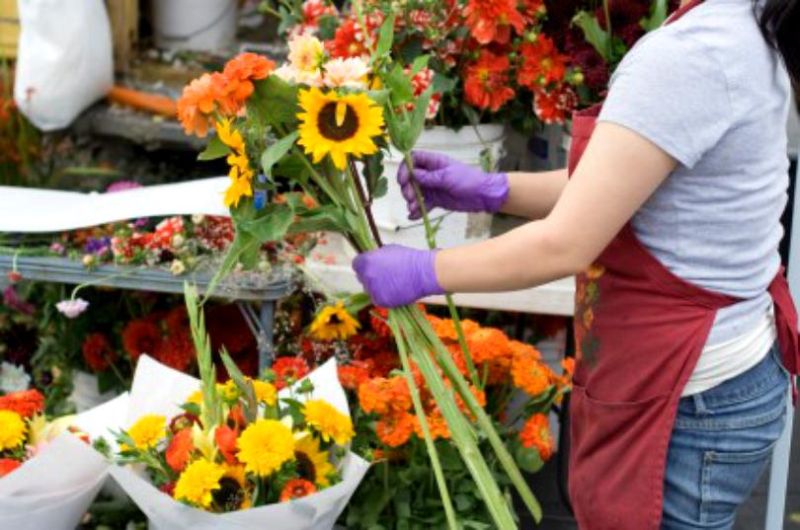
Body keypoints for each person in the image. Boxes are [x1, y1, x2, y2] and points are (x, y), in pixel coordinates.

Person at [352, 0, 800, 528]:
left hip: (688, 398)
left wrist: (425, 271)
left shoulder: (692, 55)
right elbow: (622, 185)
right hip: (723, 378)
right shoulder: (735, 22)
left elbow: (564, 244)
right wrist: (494, 190)